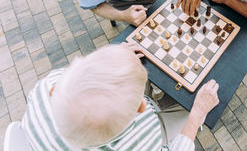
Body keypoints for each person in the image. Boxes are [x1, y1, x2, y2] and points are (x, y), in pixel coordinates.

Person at [21, 43, 219, 150]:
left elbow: (80, 74)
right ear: (142, 107)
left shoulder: (47, 85)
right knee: (189, 109)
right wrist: (197, 115)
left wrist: (116, 57)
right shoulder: (143, 143)